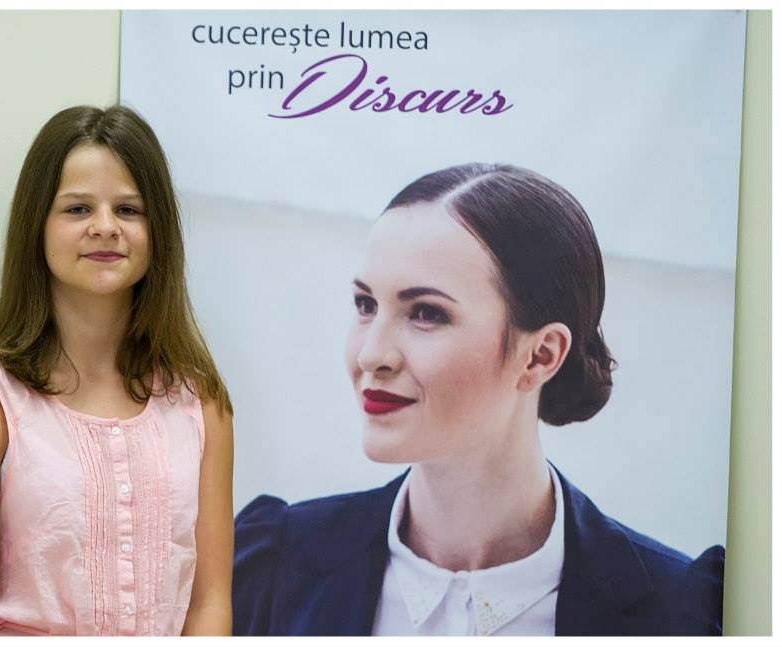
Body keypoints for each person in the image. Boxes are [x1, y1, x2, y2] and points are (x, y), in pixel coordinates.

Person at [232, 163, 724, 636]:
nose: (371, 355)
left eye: (426, 313)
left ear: (540, 356)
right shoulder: (275, 567)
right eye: (366, 305)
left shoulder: (678, 613)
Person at [0, 105, 234, 636]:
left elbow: (209, 606)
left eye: (129, 209)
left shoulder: (201, 403)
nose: (105, 227)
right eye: (77, 208)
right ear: (37, 225)